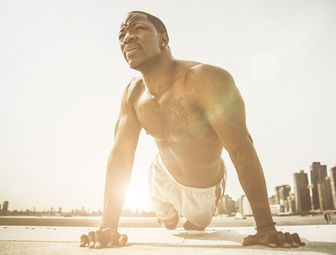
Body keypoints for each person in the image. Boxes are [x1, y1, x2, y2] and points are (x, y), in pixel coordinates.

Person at [80, 11, 305, 249]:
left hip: (202, 187)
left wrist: (266, 228)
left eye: (138, 29)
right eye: (122, 35)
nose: (127, 38)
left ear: (163, 39)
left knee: (197, 226)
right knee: (168, 224)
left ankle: (198, 211)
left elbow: (241, 149)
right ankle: (168, 215)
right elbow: (121, 156)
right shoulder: (133, 95)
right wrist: (107, 227)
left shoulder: (205, 80)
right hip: (160, 173)